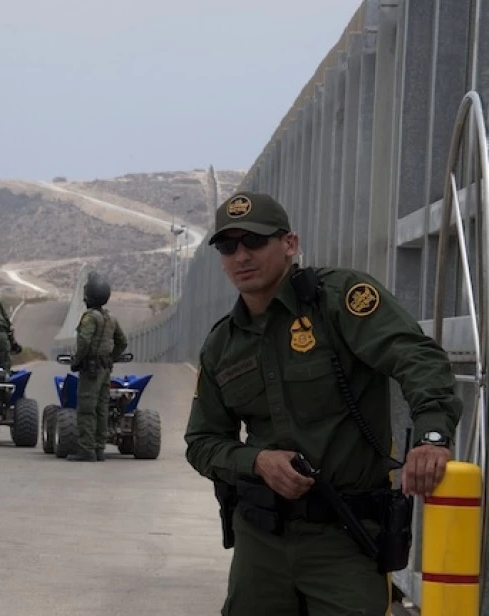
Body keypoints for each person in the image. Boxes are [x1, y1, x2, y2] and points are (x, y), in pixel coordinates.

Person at [184, 191, 464, 615]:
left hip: (345, 538)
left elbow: (416, 358)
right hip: (261, 543)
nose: (241, 255)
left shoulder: (340, 299)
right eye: (228, 246)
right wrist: (258, 462)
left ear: (290, 244)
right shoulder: (221, 345)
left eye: (255, 241)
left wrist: (431, 437)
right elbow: (202, 442)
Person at [67, 271, 128, 462]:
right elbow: (122, 342)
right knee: (102, 408)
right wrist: (111, 358)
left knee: (86, 409)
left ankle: (86, 449)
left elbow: (84, 341)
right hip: (105, 369)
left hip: (91, 369)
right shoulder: (111, 318)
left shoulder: (89, 318)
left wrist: (77, 361)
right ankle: (99, 448)